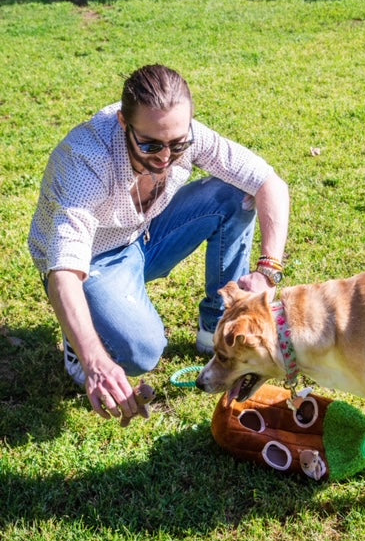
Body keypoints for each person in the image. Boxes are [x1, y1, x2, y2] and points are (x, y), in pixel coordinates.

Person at [28, 64, 289, 425]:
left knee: (235, 194)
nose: (166, 157)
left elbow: (268, 182)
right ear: (124, 123)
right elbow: (63, 272)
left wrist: (267, 273)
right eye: (150, 145)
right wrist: (95, 361)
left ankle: (218, 323)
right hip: (93, 260)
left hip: (144, 233)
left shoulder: (186, 136)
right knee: (142, 353)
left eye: (177, 145)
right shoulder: (85, 162)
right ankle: (78, 343)